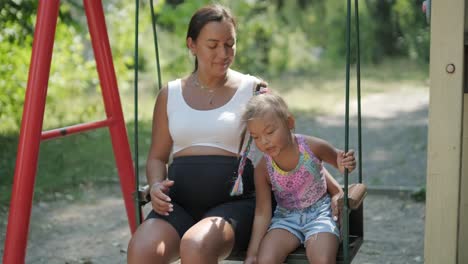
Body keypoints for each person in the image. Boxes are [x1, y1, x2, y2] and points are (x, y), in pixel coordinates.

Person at [127, 4, 343, 264]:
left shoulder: (253, 89)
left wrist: (332, 186)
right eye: (213, 44)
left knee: (196, 245)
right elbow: (157, 158)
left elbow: (289, 144)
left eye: (230, 44)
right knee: (141, 250)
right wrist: (156, 186)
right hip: (178, 205)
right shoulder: (169, 94)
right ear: (192, 45)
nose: (223, 53)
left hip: (235, 206)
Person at [241, 92, 356, 264]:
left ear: (289, 123)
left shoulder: (313, 147)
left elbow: (339, 162)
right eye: (256, 137)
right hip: (286, 219)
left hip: (320, 214)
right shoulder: (262, 169)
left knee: (323, 259)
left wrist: (346, 163)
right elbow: (262, 213)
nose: (264, 141)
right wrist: (252, 253)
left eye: (270, 132)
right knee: (266, 259)